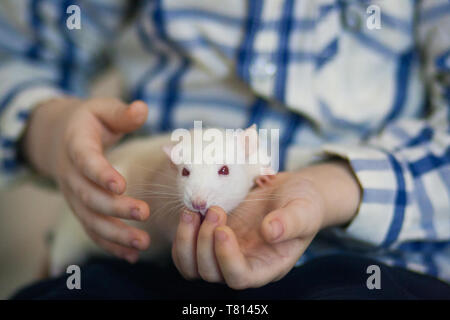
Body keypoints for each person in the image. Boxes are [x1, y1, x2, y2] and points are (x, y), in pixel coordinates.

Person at [1, 0, 450, 299]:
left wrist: (335, 188)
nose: (198, 196)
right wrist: (52, 128)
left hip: (358, 262)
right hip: (145, 267)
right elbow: (18, 55)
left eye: (218, 174)